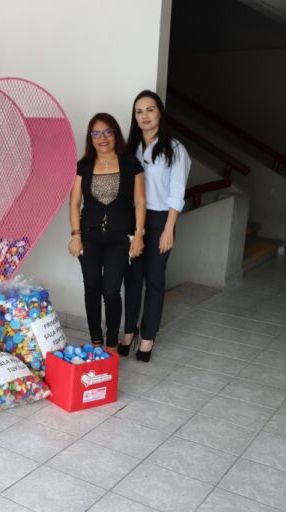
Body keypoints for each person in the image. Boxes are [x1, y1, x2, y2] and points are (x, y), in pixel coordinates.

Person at [121, 90, 191, 362]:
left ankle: (148, 336)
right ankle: (129, 331)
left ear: (160, 112)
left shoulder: (175, 149)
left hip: (161, 219)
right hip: (133, 219)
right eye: (139, 111)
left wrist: (169, 229)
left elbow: (176, 193)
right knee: (132, 278)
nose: (145, 116)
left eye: (150, 110)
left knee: (154, 280)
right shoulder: (131, 148)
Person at [69, 113, 145, 350]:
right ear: (90, 138)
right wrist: (75, 235)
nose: (102, 138)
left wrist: (139, 234)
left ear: (115, 134)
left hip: (120, 239)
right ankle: (95, 340)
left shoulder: (131, 164)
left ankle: (111, 343)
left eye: (107, 132)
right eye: (96, 133)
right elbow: (74, 203)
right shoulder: (84, 165)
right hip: (89, 237)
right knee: (91, 288)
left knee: (111, 291)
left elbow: (140, 202)